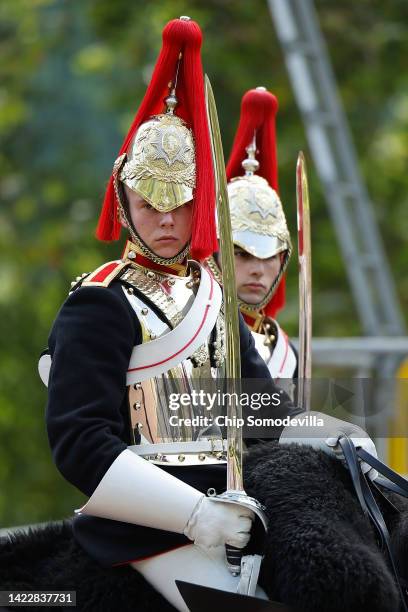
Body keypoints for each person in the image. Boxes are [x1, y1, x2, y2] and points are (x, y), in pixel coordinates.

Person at [41, 17, 378, 612]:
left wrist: (336, 435)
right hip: (148, 532)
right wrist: (193, 514)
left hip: (246, 507)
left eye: (183, 205)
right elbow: (79, 442)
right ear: (124, 201)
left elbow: (262, 410)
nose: (167, 223)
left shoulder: (212, 293)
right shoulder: (100, 304)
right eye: (151, 206)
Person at [207, 87, 297, 390]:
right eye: (243, 254)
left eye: (269, 256)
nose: (258, 269)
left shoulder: (286, 352)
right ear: (214, 254)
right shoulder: (191, 331)